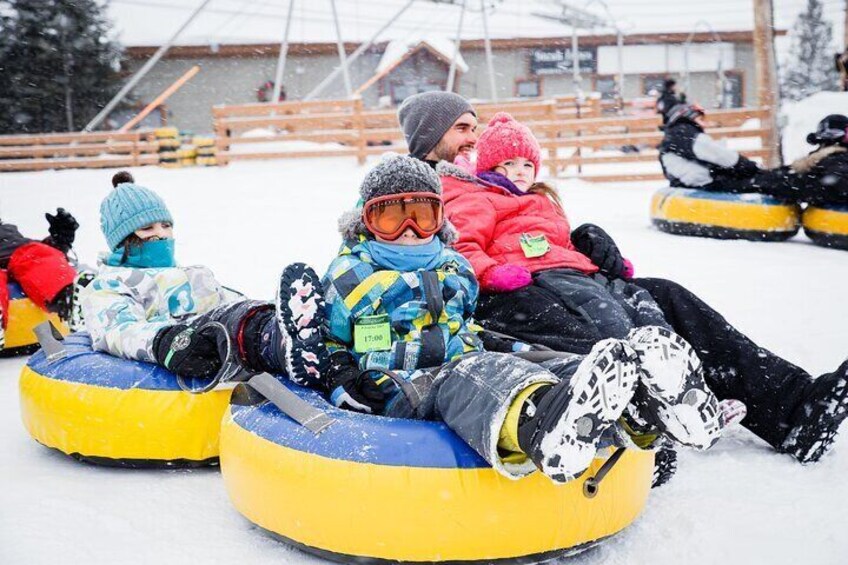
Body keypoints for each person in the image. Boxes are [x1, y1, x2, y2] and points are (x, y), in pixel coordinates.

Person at [397, 91, 848, 464]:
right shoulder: (418, 188)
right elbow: (429, 252)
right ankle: (641, 425)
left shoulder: (481, 179)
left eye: (475, 127)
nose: (474, 137)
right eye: (462, 128)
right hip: (498, 298)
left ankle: (793, 410)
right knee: (593, 326)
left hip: (555, 276)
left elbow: (521, 227)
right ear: (428, 137)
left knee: (665, 298)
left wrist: (581, 242)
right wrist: (501, 271)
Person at [318, 154, 722, 484]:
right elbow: (325, 339)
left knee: (549, 363)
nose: (409, 231)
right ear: (366, 224)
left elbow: (463, 325)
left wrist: (518, 349)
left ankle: (641, 410)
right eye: (391, 218)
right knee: (475, 378)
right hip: (400, 386)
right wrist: (339, 376)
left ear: (439, 219)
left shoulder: (454, 267)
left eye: (421, 216)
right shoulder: (350, 275)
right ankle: (541, 426)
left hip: (463, 359)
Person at [81, 171, 327, 387]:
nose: (161, 235)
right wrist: (164, 341)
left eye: (166, 226)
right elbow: (118, 330)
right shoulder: (109, 285)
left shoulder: (189, 274)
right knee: (227, 323)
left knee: (243, 312)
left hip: (225, 335)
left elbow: (229, 300)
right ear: (121, 241)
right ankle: (283, 344)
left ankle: (300, 335)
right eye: (148, 229)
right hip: (193, 345)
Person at [660, 104, 848, 206]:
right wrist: (744, 166)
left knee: (772, 180)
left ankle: (777, 181)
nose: (701, 123)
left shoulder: (676, 137)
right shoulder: (682, 133)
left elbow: (715, 156)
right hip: (706, 181)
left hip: (703, 180)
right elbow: (717, 155)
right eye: (698, 118)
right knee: (767, 180)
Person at [0, 205, 78, 348]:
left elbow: (42, 254)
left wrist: (59, 240)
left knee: (37, 254)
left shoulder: (6, 233)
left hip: (15, 250)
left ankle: (68, 299)